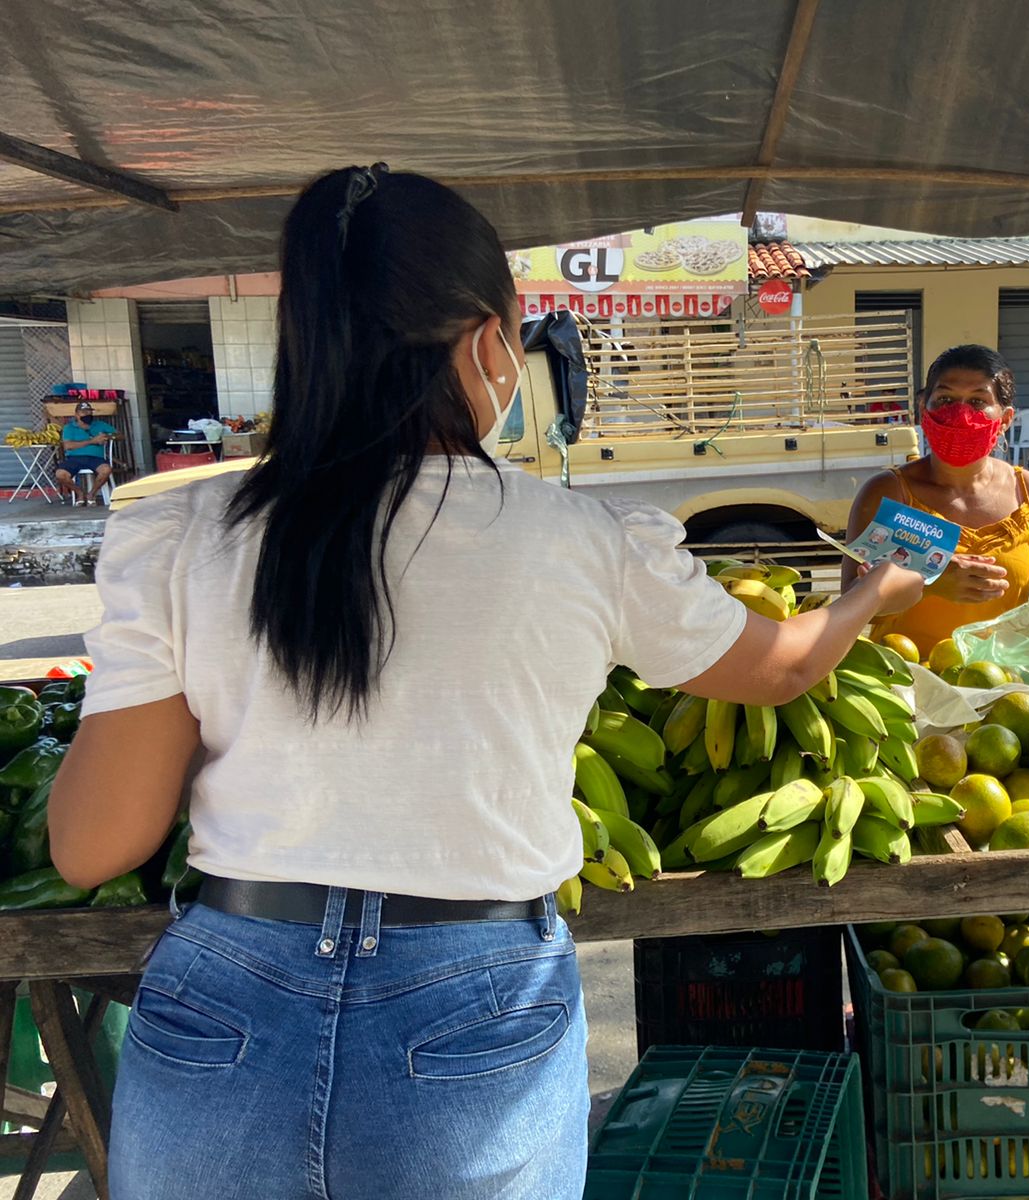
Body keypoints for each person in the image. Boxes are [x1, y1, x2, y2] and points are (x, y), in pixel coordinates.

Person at [47, 165, 924, 1200]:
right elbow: (780, 669)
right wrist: (867, 595)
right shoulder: (583, 541)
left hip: (229, 997)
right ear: (484, 343)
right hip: (473, 999)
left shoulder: (180, 537)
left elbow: (92, 846)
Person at [842, 344, 1029, 658]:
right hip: (907, 687)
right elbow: (851, 606)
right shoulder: (888, 494)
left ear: (1005, 419)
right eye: (946, 399)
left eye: (978, 401)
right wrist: (928, 582)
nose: (960, 414)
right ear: (924, 408)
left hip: (1000, 686)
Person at [55, 401, 117, 503]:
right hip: (75, 459)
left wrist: (107, 436)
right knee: (60, 474)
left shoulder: (100, 425)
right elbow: (68, 446)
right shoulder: (69, 428)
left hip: (96, 458)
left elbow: (120, 435)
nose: (87, 414)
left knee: (106, 470)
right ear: (76, 414)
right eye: (84, 412)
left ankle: (91, 494)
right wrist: (92, 441)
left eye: (89, 412)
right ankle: (79, 493)